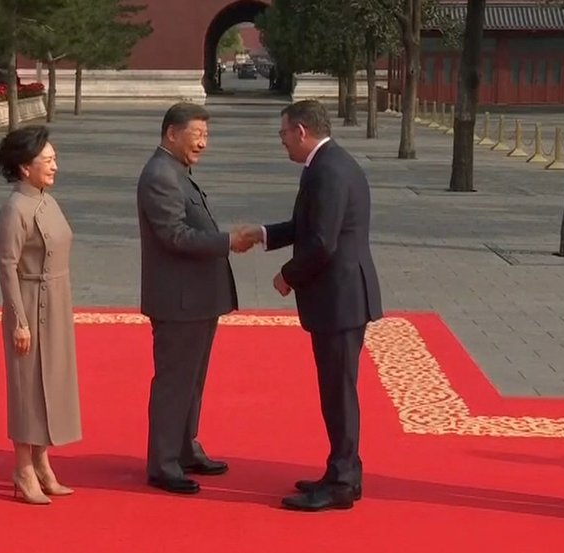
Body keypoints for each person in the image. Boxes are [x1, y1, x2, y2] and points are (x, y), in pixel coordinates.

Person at [241, 100, 383, 511]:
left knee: (338, 392)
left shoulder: (330, 170)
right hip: (339, 296)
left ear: (301, 131)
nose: (282, 141)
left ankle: (341, 482)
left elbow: (322, 241)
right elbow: (309, 226)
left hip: (340, 297)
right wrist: (263, 234)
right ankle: (343, 471)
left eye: (283, 133)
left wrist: (288, 275)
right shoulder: (328, 165)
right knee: (337, 389)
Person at [136, 102, 253, 495]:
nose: (203, 143)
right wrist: (227, 242)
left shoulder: (177, 172)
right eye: (197, 135)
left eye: (206, 136)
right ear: (172, 133)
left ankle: (185, 448)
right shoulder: (160, 176)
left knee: (193, 380)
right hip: (178, 300)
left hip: (196, 298)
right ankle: (164, 463)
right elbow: (175, 235)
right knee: (174, 381)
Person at [0, 125, 82, 505]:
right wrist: (20, 320)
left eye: (54, 159)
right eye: (47, 161)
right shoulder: (15, 208)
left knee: (53, 384)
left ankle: (43, 462)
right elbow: (6, 266)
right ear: (23, 167)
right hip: (29, 303)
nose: (55, 167)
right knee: (27, 388)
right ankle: (23, 468)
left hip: (57, 301)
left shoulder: (47, 199)